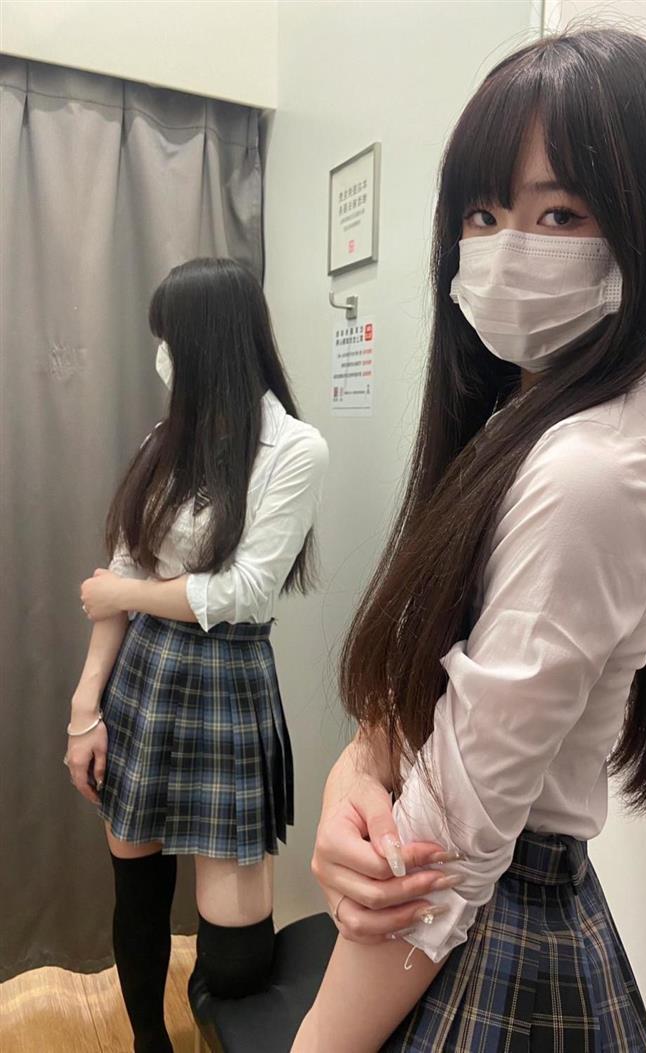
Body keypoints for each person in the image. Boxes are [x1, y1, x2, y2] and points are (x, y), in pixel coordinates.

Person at [296, 26, 646, 1052]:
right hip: (460, 918)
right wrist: (354, 777)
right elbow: (425, 690)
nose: (502, 248)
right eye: (482, 214)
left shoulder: (596, 468)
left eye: (559, 213)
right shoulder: (514, 429)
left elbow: (451, 842)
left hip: (479, 935)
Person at [64, 257, 329, 1053]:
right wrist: (84, 710)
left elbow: (244, 591)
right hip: (144, 675)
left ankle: (215, 1013)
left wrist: (125, 592)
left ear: (207, 343)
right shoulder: (163, 442)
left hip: (228, 682)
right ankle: (151, 1040)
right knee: (138, 893)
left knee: (237, 956)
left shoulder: (293, 448)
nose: (162, 356)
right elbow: (122, 578)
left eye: (169, 339)